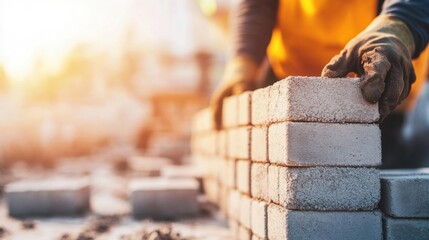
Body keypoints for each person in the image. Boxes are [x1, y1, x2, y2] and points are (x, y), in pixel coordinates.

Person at [210, 0, 429, 167]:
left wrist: (397, 25)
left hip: (380, 84)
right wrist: (243, 60)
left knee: (380, 189)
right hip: (292, 75)